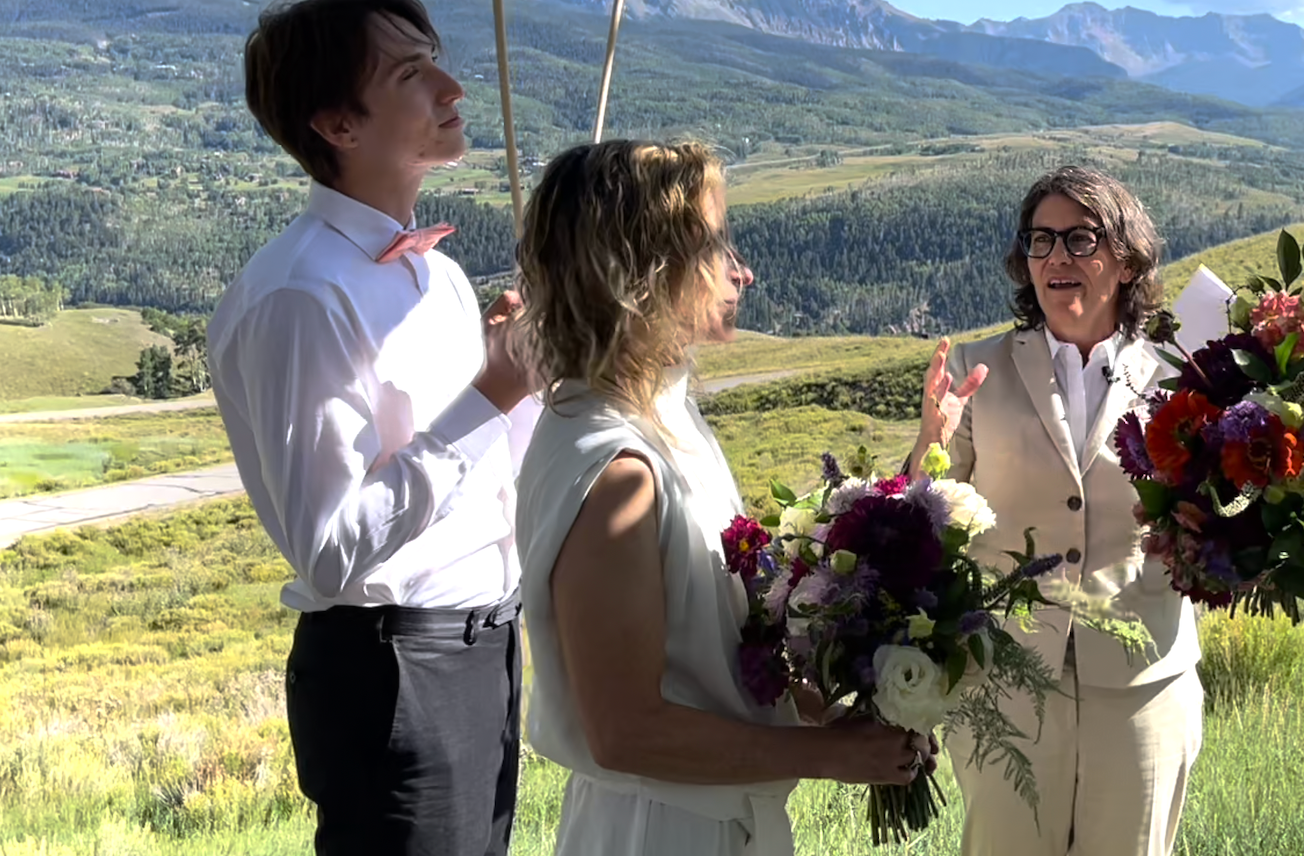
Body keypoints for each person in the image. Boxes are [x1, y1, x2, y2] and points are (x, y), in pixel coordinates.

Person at [514, 139, 930, 855]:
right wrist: (826, 756)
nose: (741, 269)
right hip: (659, 828)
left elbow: (715, 646)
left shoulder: (665, 416)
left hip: (708, 813)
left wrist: (830, 715)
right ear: (642, 270)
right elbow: (626, 731)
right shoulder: (616, 469)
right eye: (711, 243)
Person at [205, 0, 539, 855]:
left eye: (435, 58)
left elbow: (483, 474)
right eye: (411, 72)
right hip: (394, 669)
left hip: (484, 649)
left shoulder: (443, 278)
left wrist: (525, 382)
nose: (452, 86)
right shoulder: (300, 298)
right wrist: (488, 397)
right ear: (338, 126)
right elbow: (329, 546)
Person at [910, 165, 1204, 856]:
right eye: (1040, 241)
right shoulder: (975, 371)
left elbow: (1222, 506)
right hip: (1006, 677)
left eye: (1080, 239)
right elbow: (921, 522)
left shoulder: (1181, 374)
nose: (1057, 258)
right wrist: (930, 442)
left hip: (1143, 679)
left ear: (1127, 260)